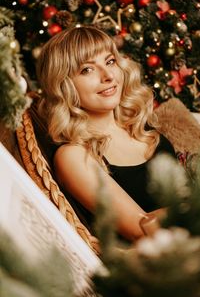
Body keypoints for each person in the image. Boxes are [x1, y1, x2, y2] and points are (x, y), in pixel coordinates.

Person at [35, 26, 185, 241]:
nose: (107, 76)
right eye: (87, 69)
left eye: (110, 61)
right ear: (64, 85)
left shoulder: (139, 127)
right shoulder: (73, 156)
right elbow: (142, 230)